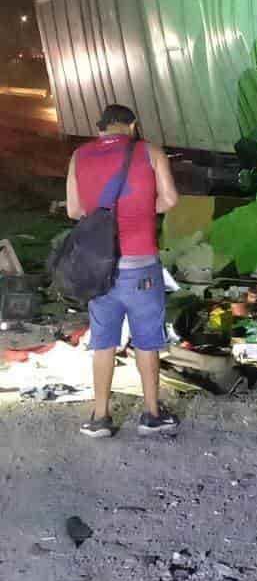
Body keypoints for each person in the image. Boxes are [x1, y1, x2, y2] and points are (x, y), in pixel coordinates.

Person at [66, 103, 179, 438]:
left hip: (99, 268)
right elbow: (170, 199)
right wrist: (144, 210)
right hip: (141, 265)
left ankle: (99, 417)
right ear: (132, 125)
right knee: (146, 341)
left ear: (101, 128)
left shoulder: (79, 155)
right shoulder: (149, 151)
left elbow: (74, 210)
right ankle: (151, 415)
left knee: (102, 341)